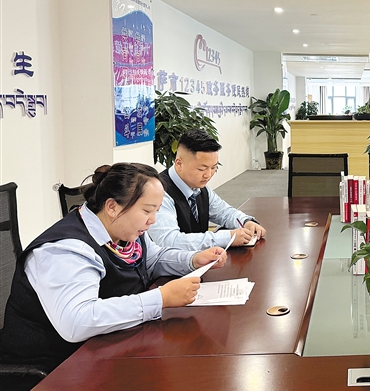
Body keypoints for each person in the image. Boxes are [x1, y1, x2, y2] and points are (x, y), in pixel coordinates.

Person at [0, 163, 227, 375]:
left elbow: (153, 259)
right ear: (112, 207)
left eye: (156, 211)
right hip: (51, 373)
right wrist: (160, 299)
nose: (153, 221)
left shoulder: (124, 231)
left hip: (105, 349)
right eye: (147, 211)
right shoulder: (65, 250)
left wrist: (193, 260)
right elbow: (77, 321)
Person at [150, 129, 266, 250]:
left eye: (213, 167)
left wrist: (246, 221)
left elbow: (225, 212)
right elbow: (169, 241)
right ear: (179, 164)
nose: (208, 175)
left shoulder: (199, 188)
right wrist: (227, 238)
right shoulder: (159, 193)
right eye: (201, 169)